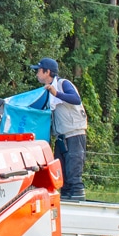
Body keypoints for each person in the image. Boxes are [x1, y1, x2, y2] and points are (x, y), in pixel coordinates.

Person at [31, 58, 87, 202]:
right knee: (61, 170)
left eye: (38, 70)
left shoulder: (63, 84)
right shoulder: (47, 90)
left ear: (47, 71)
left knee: (73, 167)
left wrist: (56, 93)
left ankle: (77, 194)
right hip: (61, 136)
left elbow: (76, 99)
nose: (36, 73)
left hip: (74, 133)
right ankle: (67, 195)